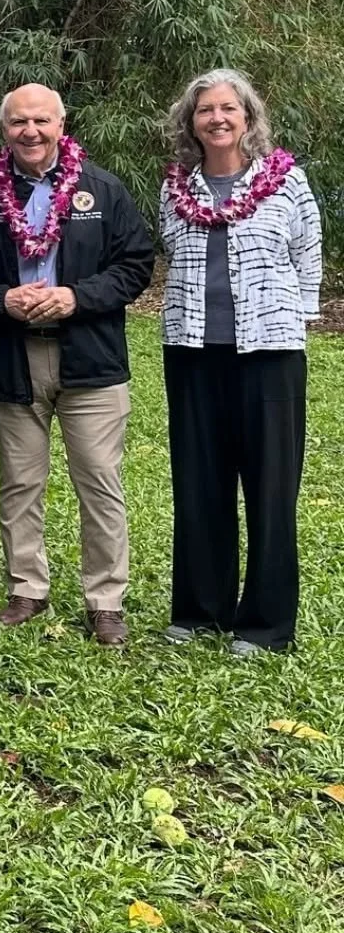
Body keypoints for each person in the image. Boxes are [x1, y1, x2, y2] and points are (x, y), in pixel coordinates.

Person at [0, 86, 154, 646]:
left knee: (98, 480)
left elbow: (136, 263)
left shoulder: (103, 189)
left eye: (41, 120)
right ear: (4, 130)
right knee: (19, 483)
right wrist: (2, 299)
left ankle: (106, 600)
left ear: (61, 124)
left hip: (90, 357)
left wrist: (77, 296)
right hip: (13, 357)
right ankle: (27, 588)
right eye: (19, 122)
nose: (31, 131)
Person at [159, 68, 320, 655]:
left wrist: (293, 323)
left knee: (271, 488)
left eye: (229, 108)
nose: (217, 119)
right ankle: (201, 611)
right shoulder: (176, 189)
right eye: (205, 111)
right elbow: (172, 253)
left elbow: (308, 254)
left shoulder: (288, 183)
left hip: (270, 355)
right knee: (199, 481)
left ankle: (266, 624)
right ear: (191, 122)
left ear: (248, 117)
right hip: (192, 350)